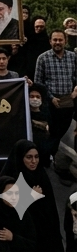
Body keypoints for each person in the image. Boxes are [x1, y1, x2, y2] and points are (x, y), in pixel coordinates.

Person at [0, 139, 62, 251]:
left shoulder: (41, 176)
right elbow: (6, 209)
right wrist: (30, 197)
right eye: (29, 157)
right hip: (20, 237)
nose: (34, 161)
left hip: (43, 236)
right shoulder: (9, 180)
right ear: (20, 158)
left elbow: (50, 210)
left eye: (36, 157)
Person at [34, 30, 77, 163]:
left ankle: (48, 154)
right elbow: (38, 82)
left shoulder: (73, 57)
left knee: (60, 132)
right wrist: (51, 97)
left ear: (65, 41)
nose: (57, 42)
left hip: (68, 101)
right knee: (51, 132)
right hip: (50, 103)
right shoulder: (42, 58)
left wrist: (76, 89)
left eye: (60, 40)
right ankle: (45, 158)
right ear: (50, 41)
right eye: (55, 40)